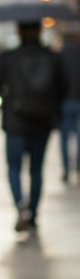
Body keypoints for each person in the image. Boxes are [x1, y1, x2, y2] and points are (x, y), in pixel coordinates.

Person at [0, 22, 66, 231]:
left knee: (14, 167)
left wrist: (5, 98)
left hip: (15, 121)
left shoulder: (8, 58)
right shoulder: (52, 57)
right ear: (40, 31)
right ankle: (33, 214)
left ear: (19, 32)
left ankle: (20, 204)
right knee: (37, 170)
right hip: (43, 121)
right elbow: (63, 88)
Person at [59, 29, 80, 183]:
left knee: (64, 138)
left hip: (64, 101)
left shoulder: (59, 56)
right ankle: (78, 168)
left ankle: (66, 169)